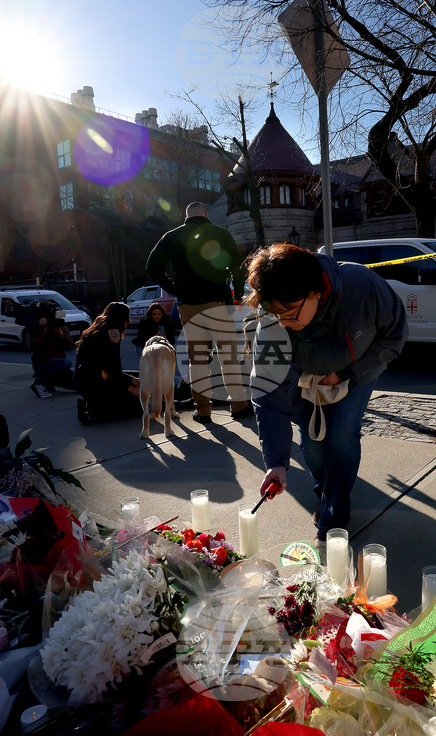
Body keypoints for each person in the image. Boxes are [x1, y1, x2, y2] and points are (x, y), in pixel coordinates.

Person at [248, 243, 408, 542]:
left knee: (341, 435)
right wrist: (276, 462)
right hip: (303, 376)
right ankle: (326, 490)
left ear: (316, 292)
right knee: (311, 445)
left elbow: (394, 336)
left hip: (357, 372)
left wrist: (346, 374)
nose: (283, 323)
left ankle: (334, 516)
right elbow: (268, 390)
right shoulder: (273, 317)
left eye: (289, 313)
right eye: (275, 314)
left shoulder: (363, 286)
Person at [145, 201, 252, 425]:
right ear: (205, 214)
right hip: (218, 302)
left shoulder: (171, 236)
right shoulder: (220, 233)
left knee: (197, 359)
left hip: (188, 304)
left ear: (186, 216)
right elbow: (237, 266)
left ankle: (203, 411)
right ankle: (239, 405)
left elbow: (152, 267)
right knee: (228, 355)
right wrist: (238, 293)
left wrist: (175, 290)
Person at [75, 302, 142, 423]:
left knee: (135, 375)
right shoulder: (113, 333)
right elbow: (114, 368)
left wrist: (131, 379)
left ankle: (94, 404)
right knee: (138, 409)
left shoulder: (98, 329)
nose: (130, 320)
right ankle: (93, 409)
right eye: (128, 317)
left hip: (87, 379)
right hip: (97, 381)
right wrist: (131, 389)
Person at [26, 317, 76, 399]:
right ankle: (39, 383)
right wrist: (44, 330)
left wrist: (61, 334)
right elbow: (35, 348)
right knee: (66, 363)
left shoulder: (62, 329)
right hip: (43, 365)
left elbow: (70, 347)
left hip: (59, 367)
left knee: (80, 383)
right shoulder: (38, 330)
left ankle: (49, 383)